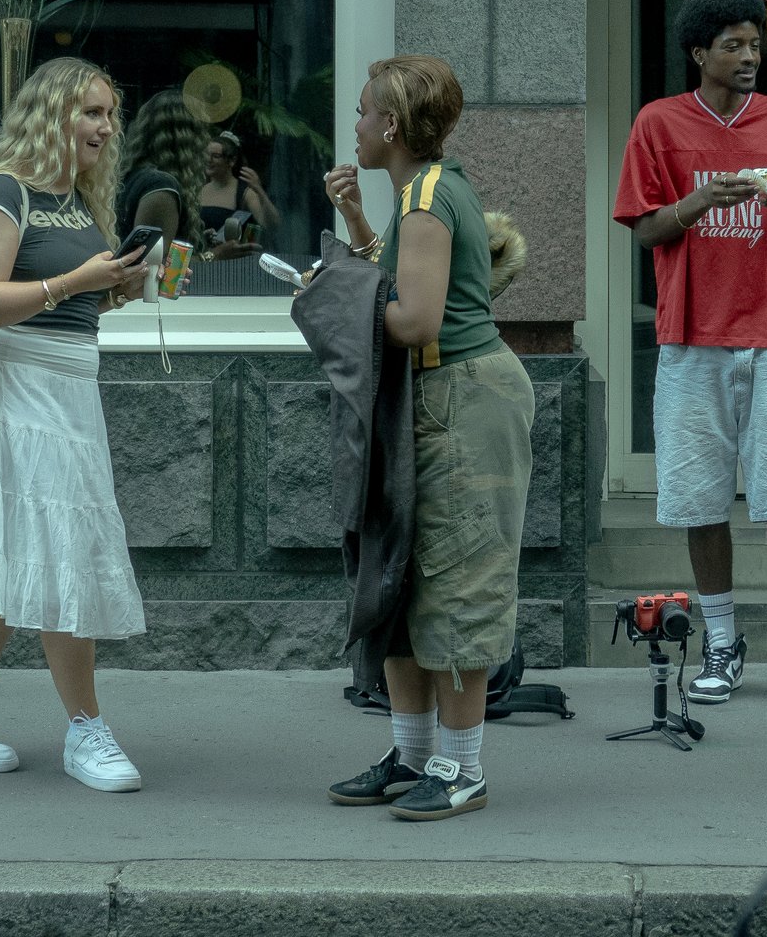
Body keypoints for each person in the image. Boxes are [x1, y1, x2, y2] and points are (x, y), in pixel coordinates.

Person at [0, 57, 166, 793]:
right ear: (52, 115)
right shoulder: (3, 192)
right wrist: (74, 281)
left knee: (17, 552)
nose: (104, 126)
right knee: (59, 552)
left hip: (67, 395)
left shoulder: (80, 200)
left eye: (109, 115)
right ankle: (87, 727)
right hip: (12, 393)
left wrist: (115, 287)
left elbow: (72, 306)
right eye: (90, 111)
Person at [322, 54, 536, 822]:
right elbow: (406, 281)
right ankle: (412, 754)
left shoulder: (427, 196)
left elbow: (413, 318)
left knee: (459, 576)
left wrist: (331, 295)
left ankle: (461, 767)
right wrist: (354, 230)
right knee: (407, 578)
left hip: (464, 400)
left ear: (390, 123)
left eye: (361, 111)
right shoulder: (424, 192)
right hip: (441, 396)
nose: (354, 125)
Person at [612, 0, 767, 711]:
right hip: (690, 337)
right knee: (703, 500)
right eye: (733, 44)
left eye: (755, 42)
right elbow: (643, 230)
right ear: (698, 51)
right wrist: (695, 203)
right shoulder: (658, 124)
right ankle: (721, 641)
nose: (750, 55)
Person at [118, 89, 211, 255]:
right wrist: (216, 256)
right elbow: (153, 266)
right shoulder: (160, 186)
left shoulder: (133, 176)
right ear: (190, 137)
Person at [198, 130, 281, 253]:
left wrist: (259, 190)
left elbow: (272, 224)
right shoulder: (200, 189)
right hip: (203, 258)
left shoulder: (244, 193)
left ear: (231, 161)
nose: (208, 160)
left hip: (233, 263)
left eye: (215, 156)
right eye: (206, 155)